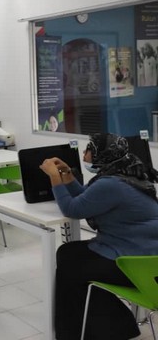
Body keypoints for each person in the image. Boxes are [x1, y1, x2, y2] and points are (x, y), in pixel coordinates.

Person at [39, 133, 158, 339]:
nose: (84, 154)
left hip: (135, 263)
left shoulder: (110, 184)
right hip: (147, 255)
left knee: (70, 265)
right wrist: (67, 174)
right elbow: (86, 197)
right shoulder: (123, 173)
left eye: (89, 150)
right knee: (68, 254)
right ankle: (109, 326)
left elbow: (72, 209)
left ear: (101, 154)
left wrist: (54, 178)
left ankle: (92, 329)